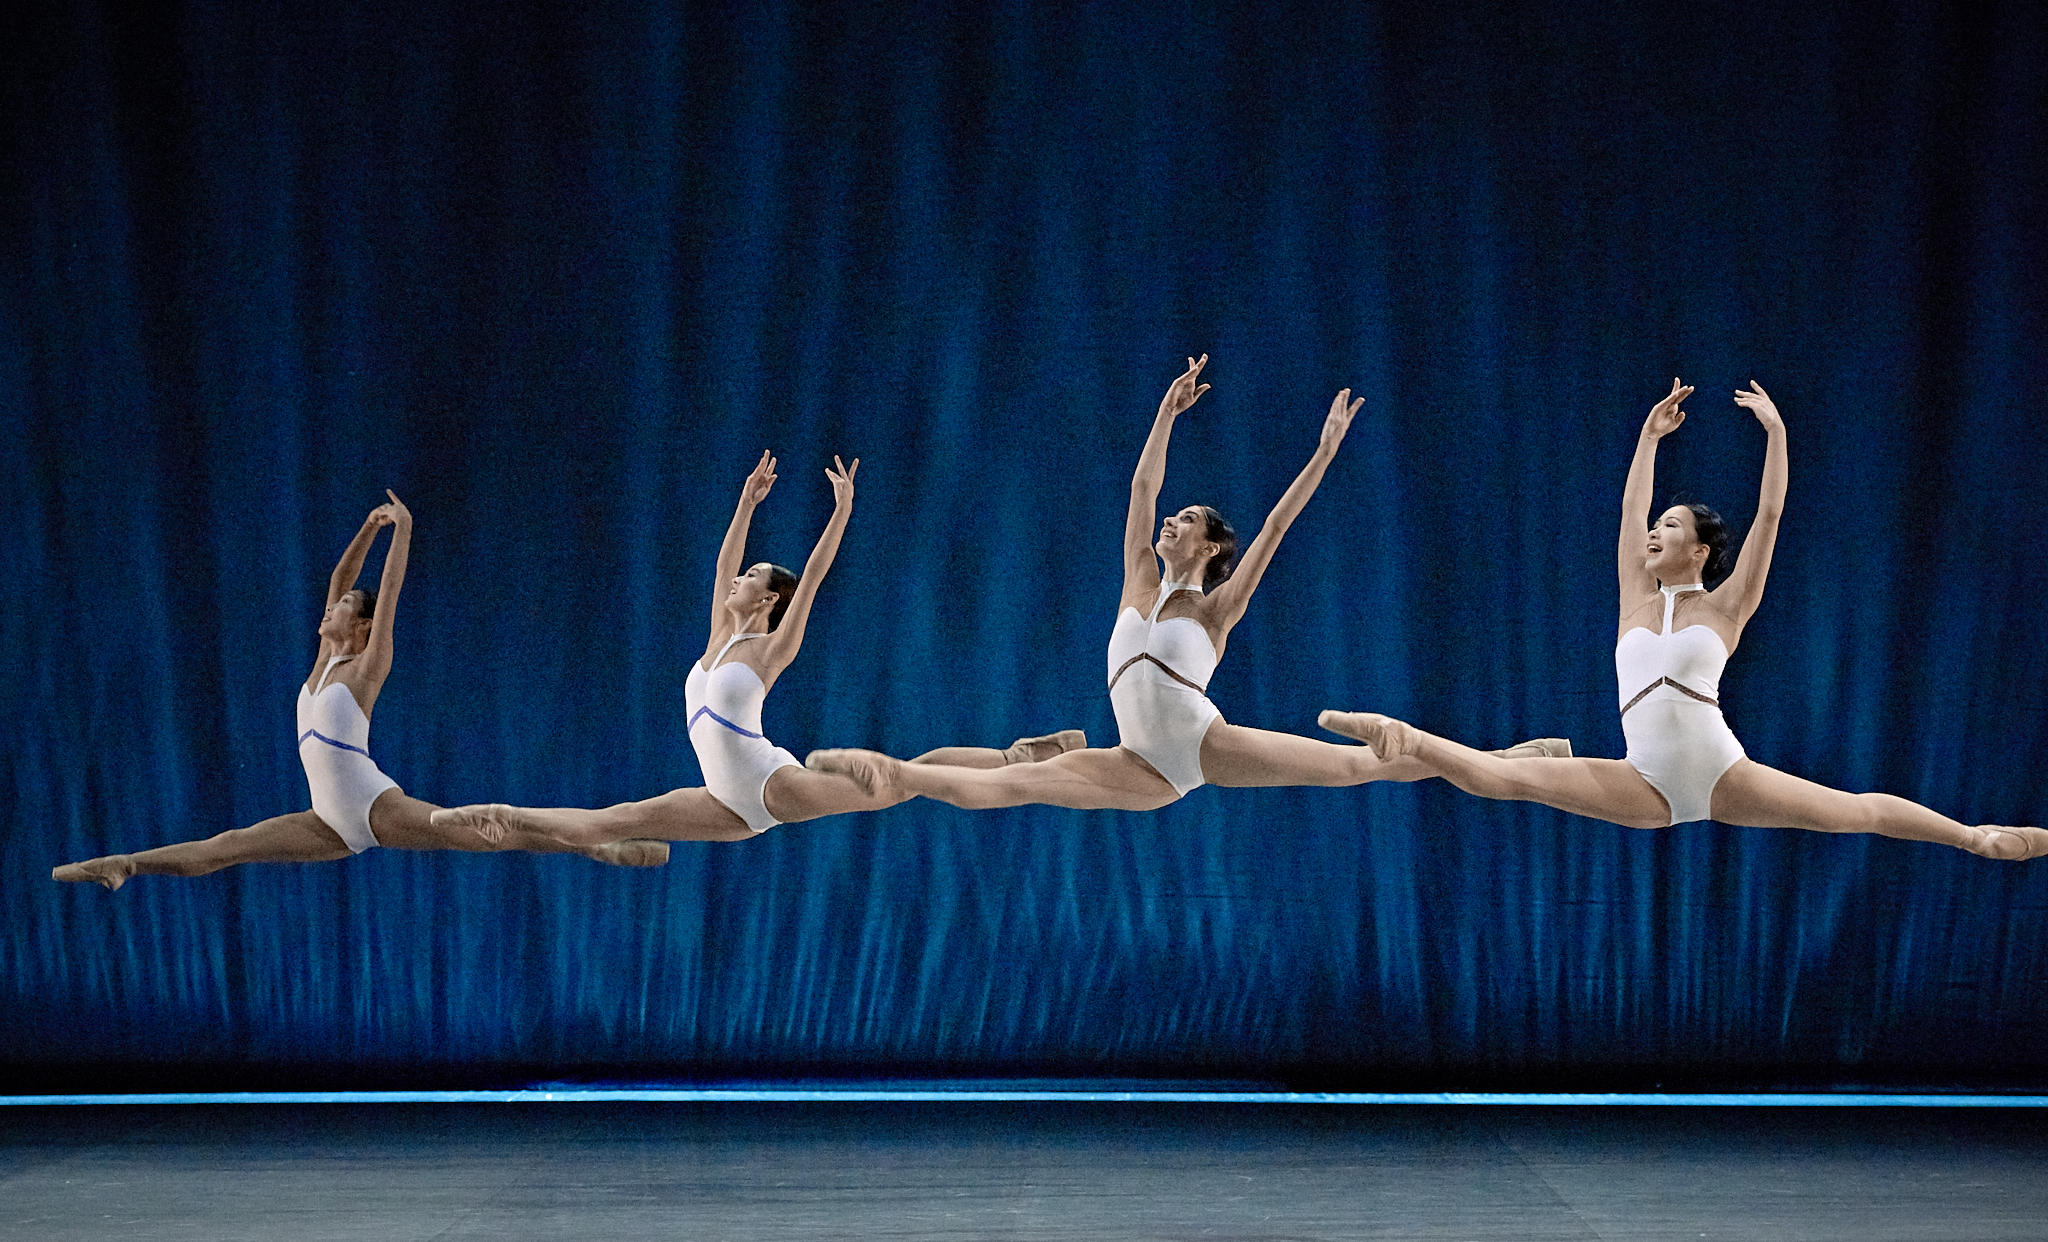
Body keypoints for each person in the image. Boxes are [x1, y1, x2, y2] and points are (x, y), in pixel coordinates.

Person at [1321, 379, 2048, 859]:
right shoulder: (1633, 598)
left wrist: (1775, 433)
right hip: (1642, 779)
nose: (1653, 534)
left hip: (1721, 766)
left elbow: (1769, 514)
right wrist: (1647, 440)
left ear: (1699, 547)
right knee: (1505, 781)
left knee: (1855, 810)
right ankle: (1408, 734)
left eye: (1669, 527)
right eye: (1655, 528)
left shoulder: (1727, 604)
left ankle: (1975, 837)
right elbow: (1628, 513)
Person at [805, 356, 1566, 812]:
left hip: (1204, 744)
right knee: (1021, 784)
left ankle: (1515, 758)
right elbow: (1140, 487)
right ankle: (894, 770)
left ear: (1209, 545)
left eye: (1186, 518)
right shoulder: (1139, 578)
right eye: (1173, 516)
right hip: (1139, 762)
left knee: (1355, 767)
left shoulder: (1216, 607)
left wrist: (1324, 451)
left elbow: (1274, 528)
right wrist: (1166, 412)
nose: (1170, 520)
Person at [431, 453, 1083, 847]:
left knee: (903, 780)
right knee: (620, 817)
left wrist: (843, 509)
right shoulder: (719, 635)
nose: (739, 580)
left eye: (753, 578)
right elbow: (722, 565)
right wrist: (745, 503)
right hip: (724, 800)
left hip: (774, 784)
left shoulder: (769, 647)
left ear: (769, 599)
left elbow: (816, 575)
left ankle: (1017, 755)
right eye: (745, 576)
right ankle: (506, 818)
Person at [52, 492, 668, 891]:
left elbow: (388, 591)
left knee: (484, 833)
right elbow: (341, 576)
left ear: (362, 626)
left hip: (375, 804)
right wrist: (366, 529)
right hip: (328, 820)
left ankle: (600, 846)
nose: (329, 609)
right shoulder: (325, 658)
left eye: (342, 608)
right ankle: (125, 864)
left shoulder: (367, 666)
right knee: (229, 847)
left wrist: (402, 529)